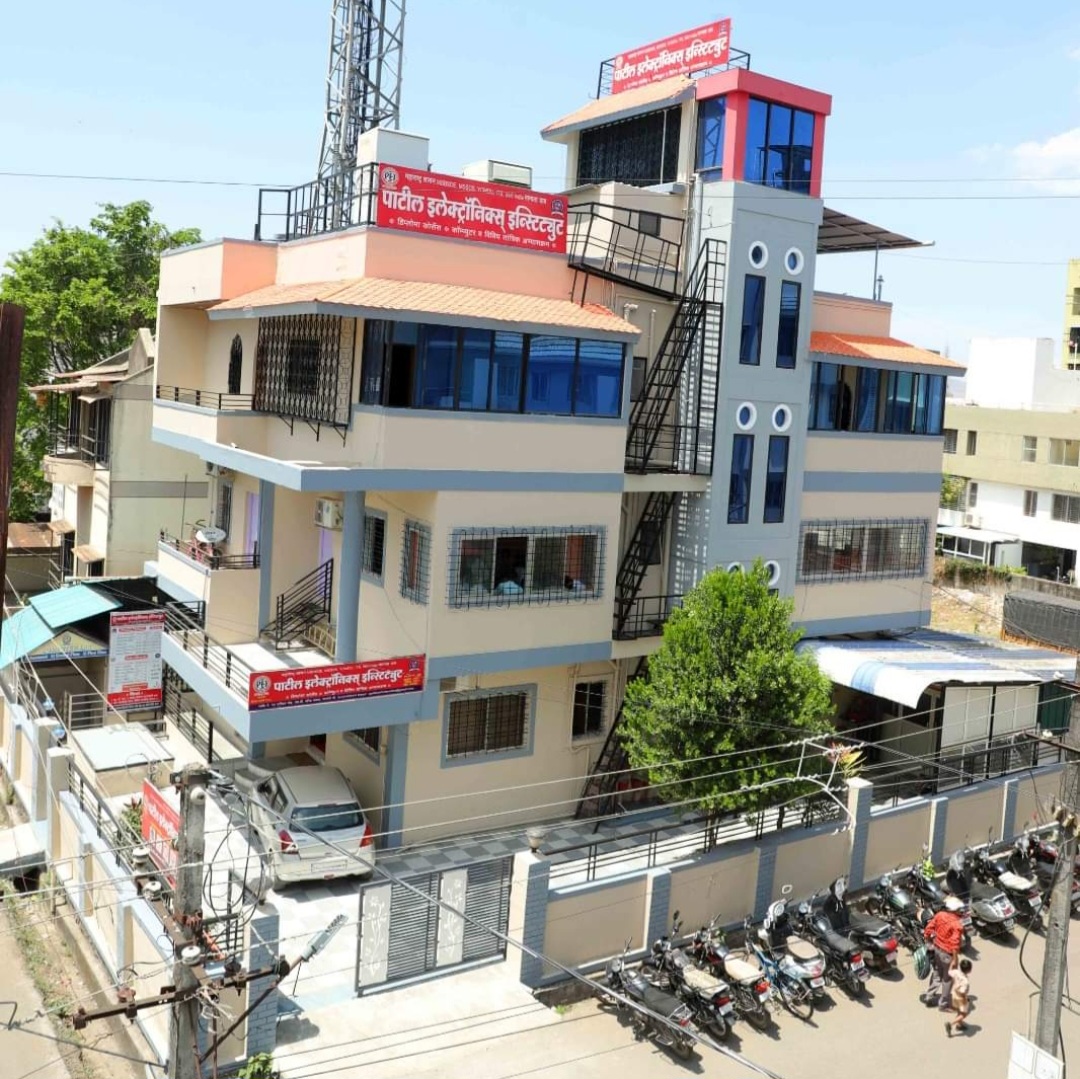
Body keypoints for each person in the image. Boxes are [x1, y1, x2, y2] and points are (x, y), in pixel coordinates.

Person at [921, 907, 964, 1011]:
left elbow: (928, 929)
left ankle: (929, 996)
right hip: (947, 955)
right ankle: (943, 1004)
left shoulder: (940, 915)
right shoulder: (957, 924)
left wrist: (929, 942)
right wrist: (955, 959)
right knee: (947, 980)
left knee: (937, 973)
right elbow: (954, 944)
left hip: (937, 949)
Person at [946, 956, 972, 1036]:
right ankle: (950, 1024)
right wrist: (965, 1000)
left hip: (954, 994)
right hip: (961, 998)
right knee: (964, 1014)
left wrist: (952, 964)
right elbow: (962, 992)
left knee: (958, 1010)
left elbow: (949, 972)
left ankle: (959, 1025)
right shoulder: (965, 981)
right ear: (969, 970)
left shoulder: (956, 972)